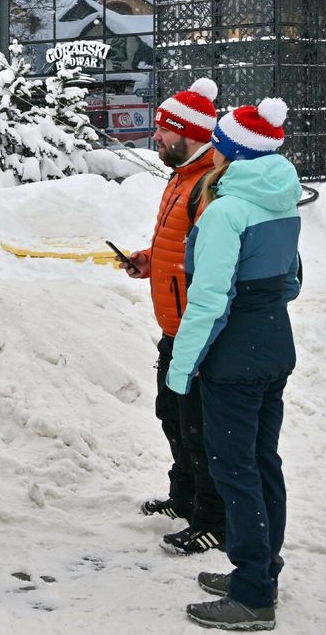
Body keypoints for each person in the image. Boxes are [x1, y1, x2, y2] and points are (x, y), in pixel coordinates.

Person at [166, 98, 300, 631]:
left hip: (234, 355)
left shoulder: (226, 210)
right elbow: (292, 277)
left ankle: (251, 595)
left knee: (235, 469)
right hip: (273, 343)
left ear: (229, 151)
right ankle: (263, 570)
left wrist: (182, 368)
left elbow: (208, 299)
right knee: (263, 461)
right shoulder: (282, 199)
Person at [122, 78, 227, 555]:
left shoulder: (208, 184)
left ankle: (212, 518)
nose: (156, 137)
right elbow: (179, 247)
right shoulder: (180, 175)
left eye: (164, 131)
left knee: (198, 426)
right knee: (172, 415)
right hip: (173, 327)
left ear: (188, 133)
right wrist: (149, 260)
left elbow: (214, 259)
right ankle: (183, 497)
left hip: (197, 333)